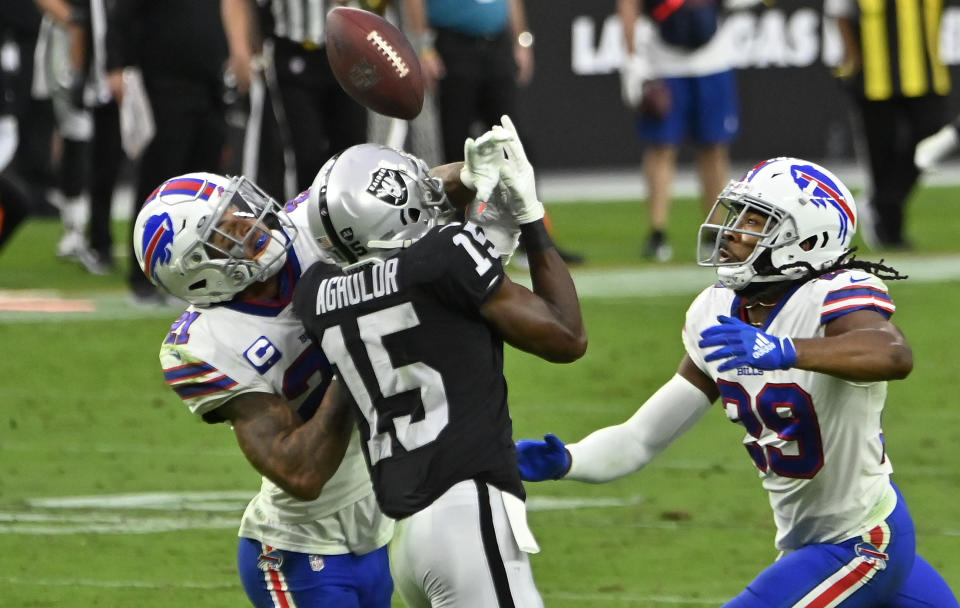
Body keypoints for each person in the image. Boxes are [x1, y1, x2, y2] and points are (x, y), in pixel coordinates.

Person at [515, 157, 959, 607]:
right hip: (808, 543)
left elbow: (892, 353)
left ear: (805, 239)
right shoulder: (716, 311)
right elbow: (640, 439)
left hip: (862, 539)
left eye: (756, 220)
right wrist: (565, 460)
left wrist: (784, 349)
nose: (731, 231)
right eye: (737, 215)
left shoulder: (832, 293)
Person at [292, 115, 587, 607]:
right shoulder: (443, 258)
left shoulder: (317, 295)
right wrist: (532, 216)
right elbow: (566, 336)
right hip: (468, 513)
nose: (427, 197)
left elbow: (433, 294)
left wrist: (486, 224)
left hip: (405, 538)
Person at [131, 172, 396, 607]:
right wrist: (354, 351)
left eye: (239, 208)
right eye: (224, 231)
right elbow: (302, 472)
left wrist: (472, 177)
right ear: (197, 273)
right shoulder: (207, 344)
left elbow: (415, 196)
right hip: (301, 546)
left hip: (376, 521)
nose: (248, 222)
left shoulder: (311, 229)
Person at [108, 0, 242, 304]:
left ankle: (197, 273)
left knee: (207, 187)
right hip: (163, 83)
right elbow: (122, 15)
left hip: (211, 85)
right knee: (159, 180)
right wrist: (116, 65)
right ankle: (142, 275)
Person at [618, 0, 739, 262]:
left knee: (714, 148)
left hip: (713, 58)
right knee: (662, 147)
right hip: (663, 61)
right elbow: (629, 5)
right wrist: (631, 60)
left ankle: (715, 233)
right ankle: (657, 233)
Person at [827, 0, 950, 250]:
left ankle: (881, 201)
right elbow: (838, 11)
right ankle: (889, 230)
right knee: (880, 150)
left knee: (931, 135)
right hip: (873, 72)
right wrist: (853, 57)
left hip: (924, 70)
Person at [221, 0, 369, 202]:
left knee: (354, 154)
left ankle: (354, 221)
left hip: (351, 49)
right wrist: (240, 49)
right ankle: (301, 223)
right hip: (291, 49)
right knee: (303, 155)